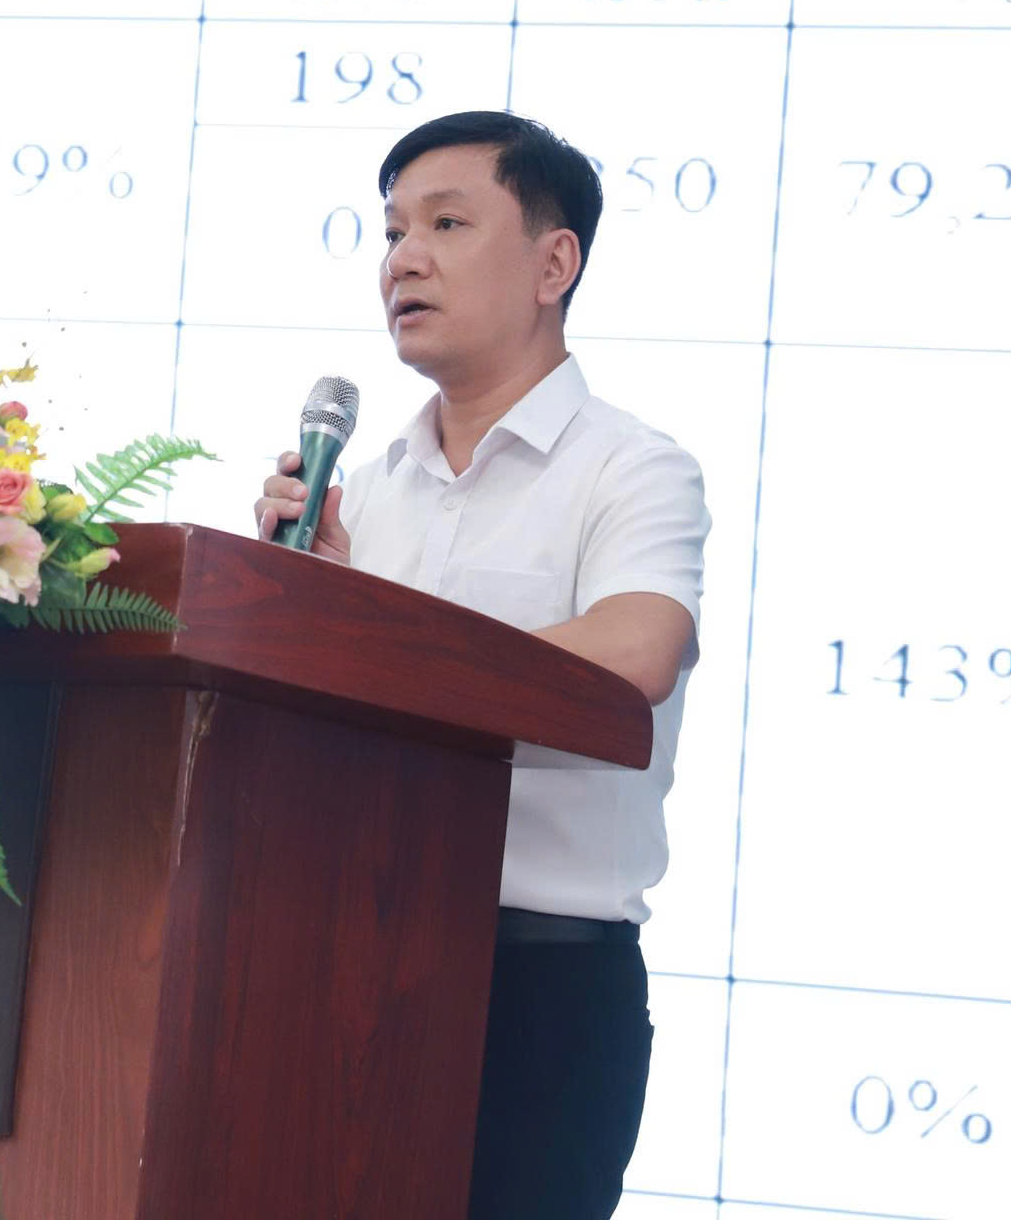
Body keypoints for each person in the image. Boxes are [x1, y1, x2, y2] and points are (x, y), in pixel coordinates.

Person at [253, 110, 710, 1220]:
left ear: (555, 264)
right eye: (392, 232)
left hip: (541, 993)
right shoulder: (363, 493)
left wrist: (375, 646)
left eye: (447, 225)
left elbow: (636, 650)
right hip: (337, 963)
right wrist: (297, 605)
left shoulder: (633, 470)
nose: (402, 259)